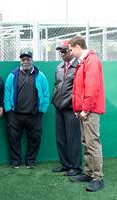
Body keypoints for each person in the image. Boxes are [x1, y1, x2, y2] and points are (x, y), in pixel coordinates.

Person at [68, 36, 105, 192]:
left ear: (78, 46)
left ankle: (98, 178)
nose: (69, 52)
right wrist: (79, 109)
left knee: (93, 143)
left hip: (89, 110)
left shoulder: (92, 61)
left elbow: (91, 87)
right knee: (86, 142)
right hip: (84, 110)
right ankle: (89, 173)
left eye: (70, 49)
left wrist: (85, 109)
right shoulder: (84, 61)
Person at [4, 50, 49, 169]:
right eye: (23, 59)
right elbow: (7, 92)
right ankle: (15, 161)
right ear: (20, 61)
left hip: (34, 114)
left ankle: (30, 161)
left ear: (32, 60)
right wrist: (8, 110)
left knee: (35, 138)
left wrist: (41, 110)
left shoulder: (40, 75)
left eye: (28, 59)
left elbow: (46, 93)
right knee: (13, 138)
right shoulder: (13, 75)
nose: (25, 61)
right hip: (15, 114)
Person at [51, 40, 82, 176]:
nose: (62, 53)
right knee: (60, 138)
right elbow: (56, 85)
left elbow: (80, 88)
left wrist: (71, 101)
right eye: (60, 51)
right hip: (59, 108)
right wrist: (55, 99)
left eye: (64, 51)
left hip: (71, 109)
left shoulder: (79, 67)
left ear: (71, 51)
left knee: (73, 139)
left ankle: (75, 167)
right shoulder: (59, 67)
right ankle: (65, 164)